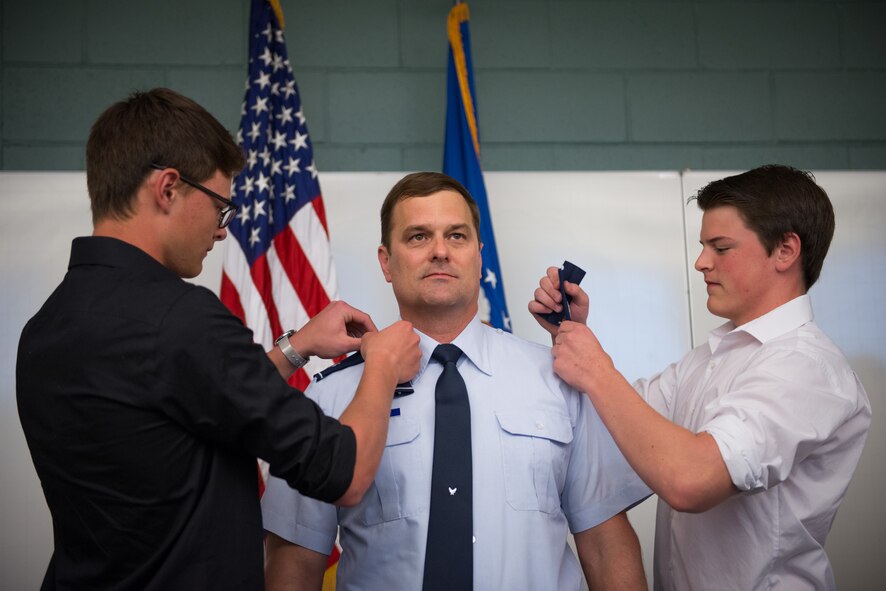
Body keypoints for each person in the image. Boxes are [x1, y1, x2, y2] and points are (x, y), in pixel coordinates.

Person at [16, 88, 421, 590]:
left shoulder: (46, 328)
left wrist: (294, 349)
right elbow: (347, 471)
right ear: (167, 188)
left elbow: (183, 406)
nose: (222, 231)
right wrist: (381, 365)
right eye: (220, 207)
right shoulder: (179, 317)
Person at [261, 172, 651, 590]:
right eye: (417, 237)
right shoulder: (331, 394)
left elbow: (606, 545)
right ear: (385, 261)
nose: (440, 252)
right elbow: (296, 559)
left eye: (457, 236)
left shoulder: (559, 381)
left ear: (479, 255)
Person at [530, 164, 872, 590]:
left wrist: (597, 371)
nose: (700, 262)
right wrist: (572, 336)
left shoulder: (807, 371)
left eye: (721, 248)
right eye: (702, 246)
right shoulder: (707, 361)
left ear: (786, 250)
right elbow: (611, 433)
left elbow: (691, 480)